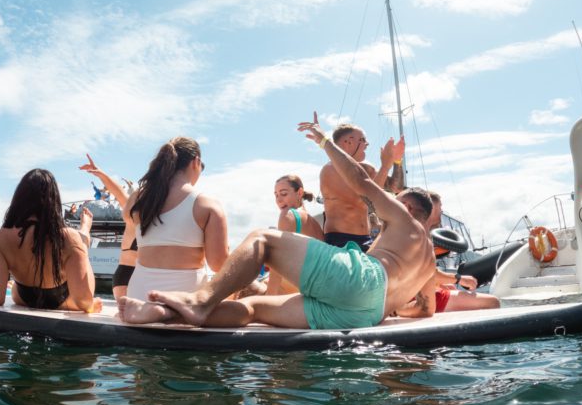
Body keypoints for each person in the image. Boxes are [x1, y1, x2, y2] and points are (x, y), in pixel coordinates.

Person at [118, 113, 437, 329]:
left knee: (262, 239)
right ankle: (165, 314)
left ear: (408, 208)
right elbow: (425, 310)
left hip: (363, 279)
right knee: (254, 308)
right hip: (367, 313)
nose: (390, 201)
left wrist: (325, 142)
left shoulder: (402, 219)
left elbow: (363, 185)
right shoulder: (430, 261)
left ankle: (198, 303)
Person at [122, 136, 229, 301]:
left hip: (138, 296)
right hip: (184, 302)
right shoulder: (207, 204)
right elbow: (218, 265)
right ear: (196, 162)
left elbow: (130, 219)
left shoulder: (138, 199)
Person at [0, 169, 101, 312]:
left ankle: (83, 237)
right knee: (80, 244)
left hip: (22, 298)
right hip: (64, 301)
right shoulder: (67, 237)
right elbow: (83, 301)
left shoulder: (1, 238)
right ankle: (85, 234)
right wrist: (91, 305)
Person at [397, 188, 500, 314]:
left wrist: (442, 282)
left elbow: (422, 270)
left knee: (451, 289)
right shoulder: (419, 234)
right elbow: (428, 273)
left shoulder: (415, 231)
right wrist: (459, 279)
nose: (441, 210)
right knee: (493, 302)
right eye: (440, 206)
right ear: (432, 207)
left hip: (412, 293)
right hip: (415, 299)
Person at [320, 124, 404, 252]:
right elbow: (364, 200)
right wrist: (385, 166)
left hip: (365, 238)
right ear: (347, 142)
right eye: (363, 140)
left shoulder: (366, 168)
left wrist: (397, 161)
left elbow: (395, 187)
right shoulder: (330, 170)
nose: (367, 144)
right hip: (340, 241)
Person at [79, 154, 138, 300]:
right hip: (131, 276)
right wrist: (100, 173)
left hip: (125, 276)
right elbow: (118, 191)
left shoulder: (136, 216)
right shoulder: (136, 216)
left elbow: (119, 192)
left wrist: (100, 172)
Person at [267, 174, 325, 295]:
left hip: (300, 288)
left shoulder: (288, 215)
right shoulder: (314, 223)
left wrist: (269, 299)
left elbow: (278, 262)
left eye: (283, 194)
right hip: (319, 287)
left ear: (299, 193)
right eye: (276, 195)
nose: (278, 200)